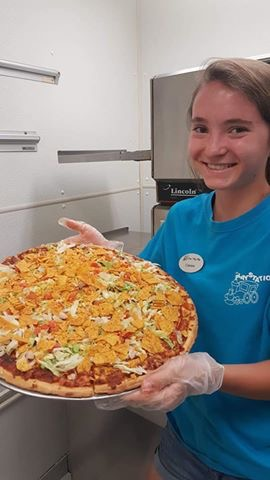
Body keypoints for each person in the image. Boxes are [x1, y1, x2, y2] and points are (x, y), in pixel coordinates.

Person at [59, 57, 270, 480]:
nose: (213, 148)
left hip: (256, 461)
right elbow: (147, 291)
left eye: (238, 128)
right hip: (187, 441)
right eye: (200, 127)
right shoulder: (183, 217)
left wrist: (208, 374)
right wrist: (109, 260)